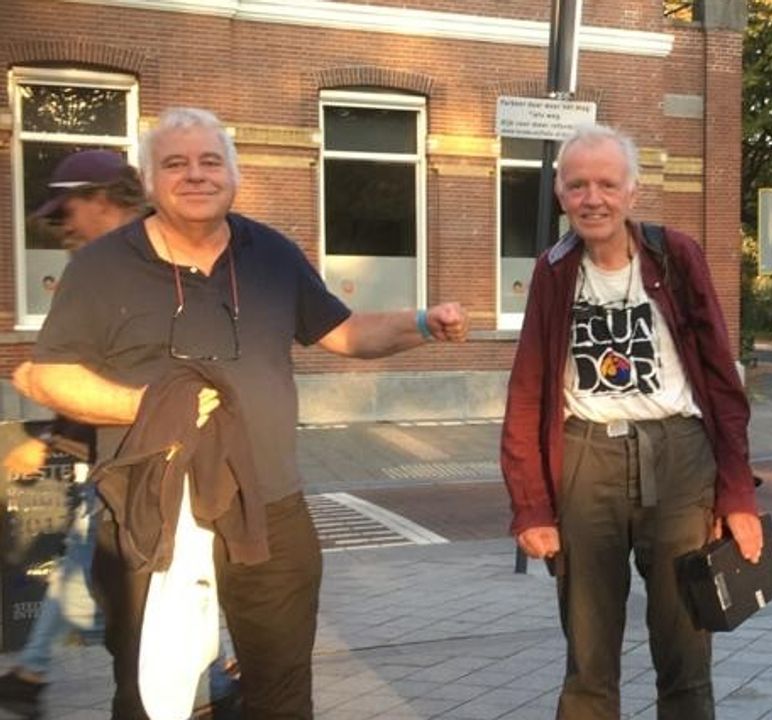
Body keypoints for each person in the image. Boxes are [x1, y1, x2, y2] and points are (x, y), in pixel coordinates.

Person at [21, 108, 468, 719]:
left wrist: (422, 323)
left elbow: (344, 332)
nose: (195, 175)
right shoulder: (102, 266)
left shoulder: (271, 253)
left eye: (211, 161)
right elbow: (48, 374)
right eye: (175, 163)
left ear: (234, 175)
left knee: (282, 693)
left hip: (269, 507)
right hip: (149, 515)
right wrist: (145, 406)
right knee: (152, 696)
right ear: (149, 181)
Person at [500, 123, 762, 720]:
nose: (592, 198)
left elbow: (722, 380)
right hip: (585, 457)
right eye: (577, 185)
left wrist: (737, 494)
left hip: (679, 459)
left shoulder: (676, 255)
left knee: (685, 650)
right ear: (560, 194)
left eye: (607, 184)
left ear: (633, 192)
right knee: (589, 659)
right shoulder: (553, 271)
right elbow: (528, 390)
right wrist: (531, 506)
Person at [1, 149, 237, 719]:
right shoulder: (109, 266)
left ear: (103, 201)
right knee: (112, 572)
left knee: (138, 582)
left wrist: (49, 422)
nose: (64, 229)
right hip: (118, 459)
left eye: (67, 212)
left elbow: (135, 374)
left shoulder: (150, 263)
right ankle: (212, 679)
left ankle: (212, 681)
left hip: (147, 461)